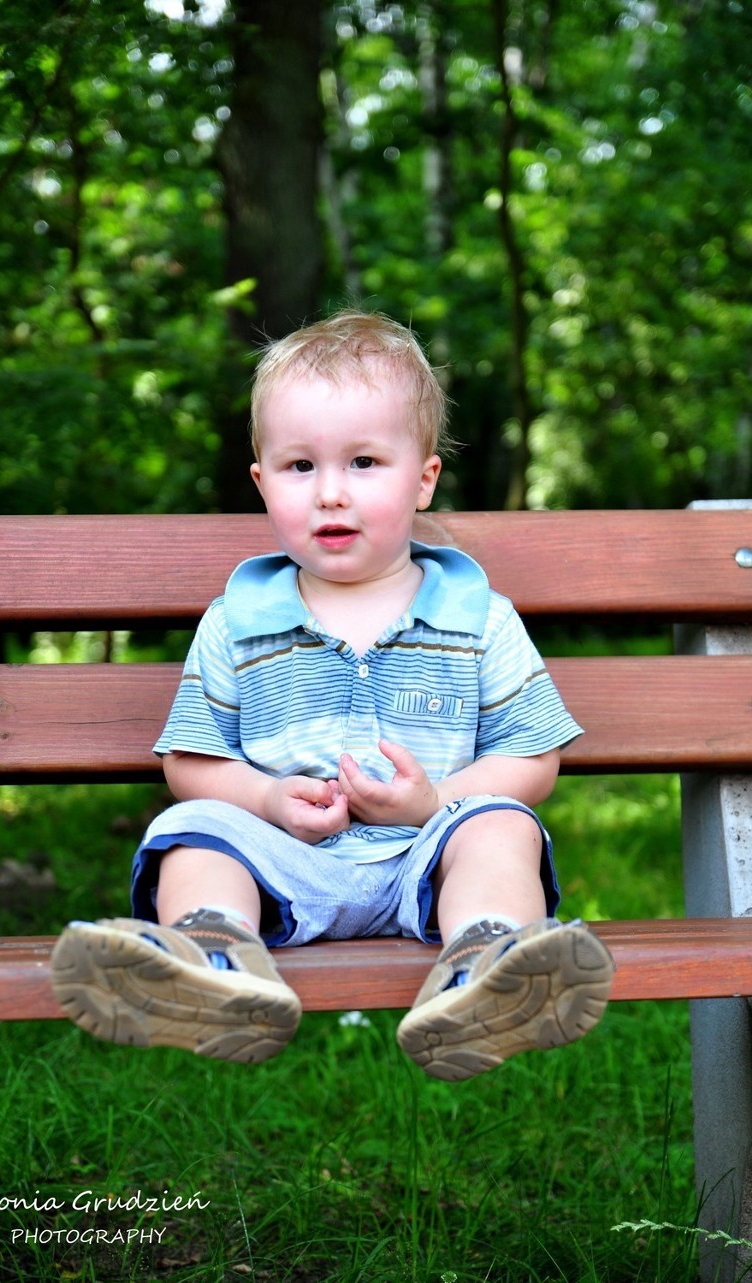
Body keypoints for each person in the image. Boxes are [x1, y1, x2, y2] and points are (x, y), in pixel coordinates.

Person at [51, 310, 614, 1081]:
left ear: (423, 479)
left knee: (501, 823)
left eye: (364, 462)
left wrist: (437, 801)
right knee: (192, 825)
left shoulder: (477, 616)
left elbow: (532, 755)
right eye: (300, 467)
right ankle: (215, 956)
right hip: (289, 859)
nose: (331, 494)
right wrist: (265, 795)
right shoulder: (238, 622)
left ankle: (486, 963)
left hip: (430, 854)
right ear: (262, 483)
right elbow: (191, 761)